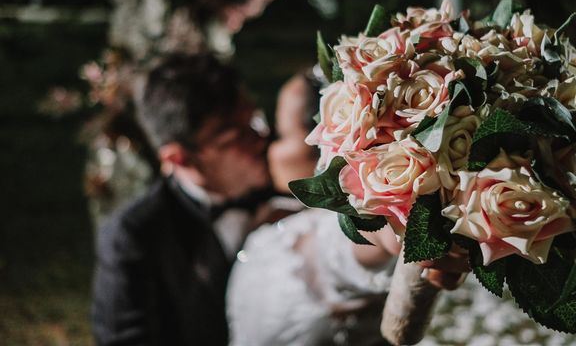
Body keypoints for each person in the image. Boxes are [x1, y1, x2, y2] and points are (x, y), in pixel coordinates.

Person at [226, 70, 468, 346]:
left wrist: (391, 216)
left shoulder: (329, 235)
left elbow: (343, 249)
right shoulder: (278, 212)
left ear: (328, 148)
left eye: (281, 133)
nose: (268, 144)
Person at [91, 53, 270, 346]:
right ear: (179, 158)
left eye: (254, 119)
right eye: (233, 136)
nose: (260, 137)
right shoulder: (134, 236)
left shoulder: (291, 187)